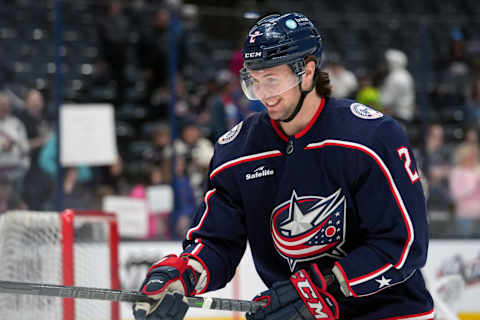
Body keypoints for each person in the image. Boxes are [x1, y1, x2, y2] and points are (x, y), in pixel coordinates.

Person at [133, 12, 433, 320]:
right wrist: (183, 274)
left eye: (272, 80)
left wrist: (321, 285)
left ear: (307, 72)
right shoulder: (236, 151)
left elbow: (403, 244)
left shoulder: (370, 138)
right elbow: (216, 241)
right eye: (254, 81)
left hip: (389, 313)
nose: (263, 95)